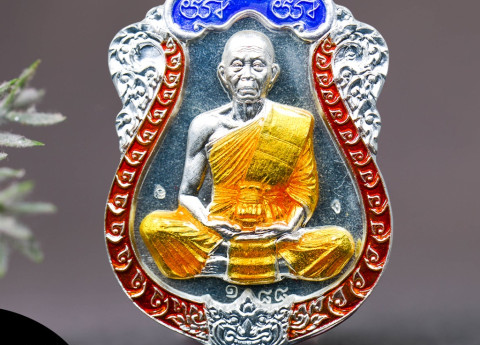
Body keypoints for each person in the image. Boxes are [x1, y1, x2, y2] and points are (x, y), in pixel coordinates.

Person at [140, 30, 354, 284]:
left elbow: (304, 191)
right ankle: (265, 263)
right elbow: (187, 194)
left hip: (275, 231)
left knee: (340, 242)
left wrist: (289, 225)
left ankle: (224, 263)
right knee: (153, 227)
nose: (247, 75)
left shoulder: (296, 122)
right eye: (237, 65)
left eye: (258, 65)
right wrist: (208, 220)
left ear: (273, 73)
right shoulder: (205, 125)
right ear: (223, 74)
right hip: (220, 229)